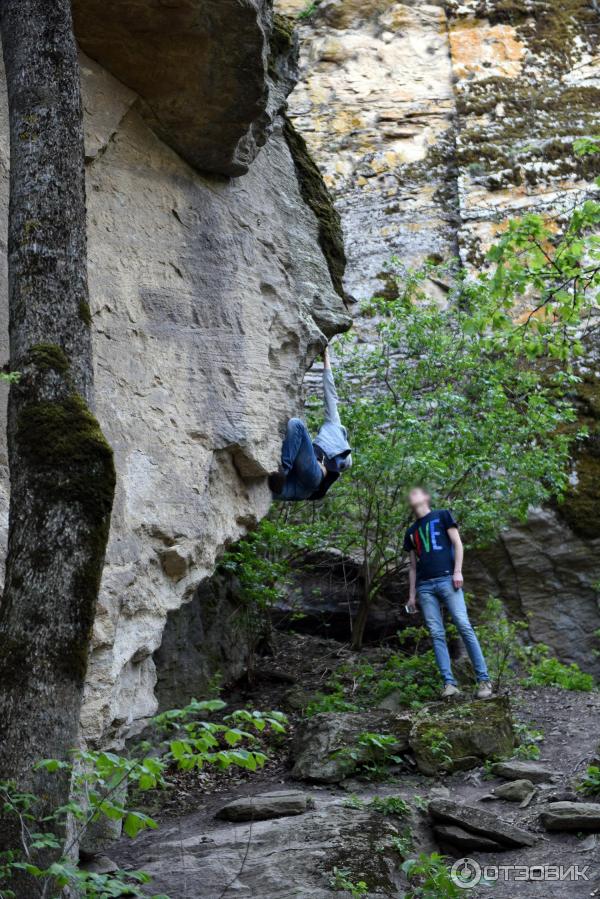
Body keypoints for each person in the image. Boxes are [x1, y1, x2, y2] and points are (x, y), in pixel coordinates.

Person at [403, 487, 493, 699]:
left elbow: (458, 544)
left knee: (463, 625)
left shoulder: (442, 515)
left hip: (447, 579)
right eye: (410, 494)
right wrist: (411, 595)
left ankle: (484, 680)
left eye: (416, 492)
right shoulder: (410, 532)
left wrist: (458, 571)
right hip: (425, 586)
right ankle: (449, 684)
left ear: (426, 497)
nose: (412, 496)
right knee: (436, 633)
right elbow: (413, 567)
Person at [269, 346, 352, 501]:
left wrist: (326, 357)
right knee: (260, 491)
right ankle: (280, 477)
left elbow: (330, 394)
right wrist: (326, 357)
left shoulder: (335, 427)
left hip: (311, 476)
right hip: (303, 489)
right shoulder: (328, 446)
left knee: (297, 425)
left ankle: (283, 471)